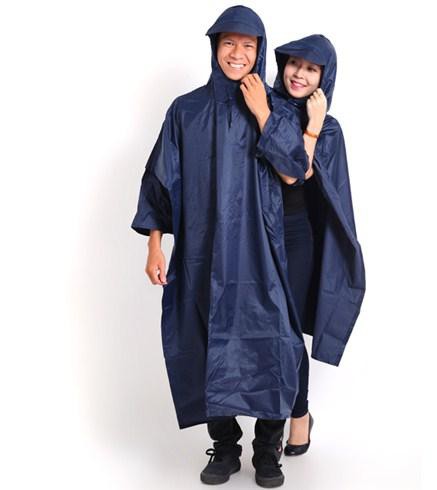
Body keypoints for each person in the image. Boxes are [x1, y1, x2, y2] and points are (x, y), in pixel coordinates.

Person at [130, 5, 314, 488]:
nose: (237, 54)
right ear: (215, 47)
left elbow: (294, 170)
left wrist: (262, 111)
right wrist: (154, 245)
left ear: (259, 52)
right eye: (229, 43)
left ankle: (267, 448)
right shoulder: (185, 110)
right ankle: (226, 446)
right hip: (202, 252)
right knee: (204, 339)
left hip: (263, 252)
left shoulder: (278, 108)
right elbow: (160, 181)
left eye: (248, 46)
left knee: (275, 342)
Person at [240, 33, 367, 461]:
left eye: (311, 69)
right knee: (259, 326)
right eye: (294, 64)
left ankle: (297, 417)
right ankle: (282, 419)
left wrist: (311, 126)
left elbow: (296, 173)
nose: (299, 75)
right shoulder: (262, 106)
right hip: (253, 233)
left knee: (288, 333)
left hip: (297, 238)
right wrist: (266, 113)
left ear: (324, 78)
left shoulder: (327, 127)